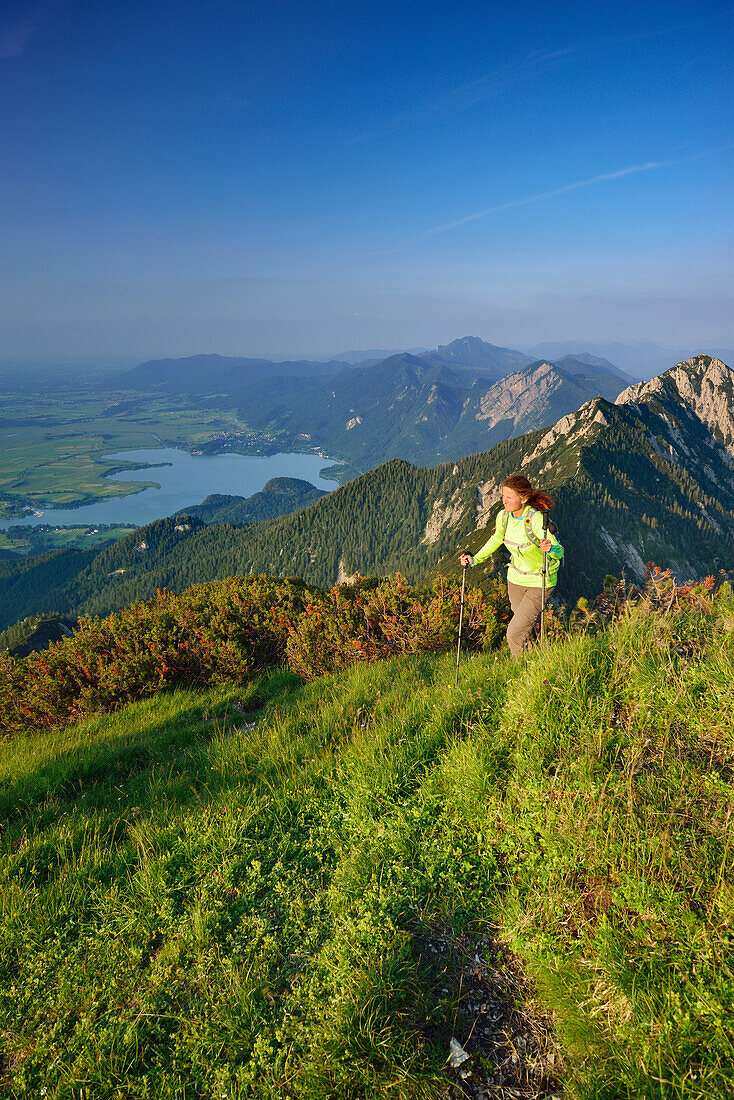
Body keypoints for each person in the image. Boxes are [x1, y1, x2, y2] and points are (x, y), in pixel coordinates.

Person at [460, 474, 563, 657]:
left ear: (523, 498)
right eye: (503, 496)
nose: (503, 501)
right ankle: (535, 661)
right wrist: (474, 559)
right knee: (524, 627)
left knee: (514, 633)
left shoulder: (536, 519)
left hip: (539, 582)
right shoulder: (503, 517)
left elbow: (558, 550)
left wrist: (550, 548)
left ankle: (520, 669)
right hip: (515, 580)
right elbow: (495, 539)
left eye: (508, 497)